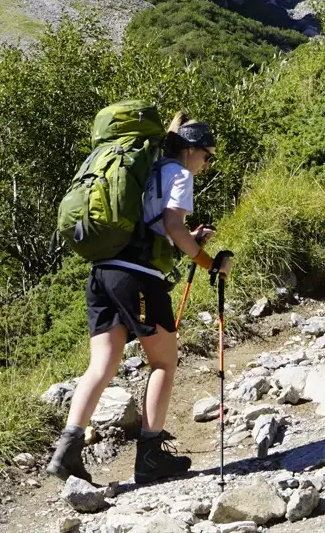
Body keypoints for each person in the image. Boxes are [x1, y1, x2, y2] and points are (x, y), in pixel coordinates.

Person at [46, 112, 232, 486]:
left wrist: (188, 242)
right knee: (163, 361)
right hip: (139, 278)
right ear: (191, 149)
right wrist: (208, 262)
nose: (207, 164)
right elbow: (173, 226)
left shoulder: (143, 170)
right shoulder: (177, 174)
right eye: (207, 156)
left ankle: (66, 450)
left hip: (103, 273)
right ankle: (149, 456)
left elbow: (158, 229)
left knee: (102, 365)